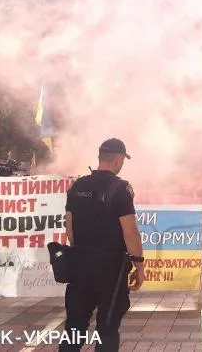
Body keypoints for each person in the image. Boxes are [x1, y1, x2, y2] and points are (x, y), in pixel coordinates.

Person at [60, 139, 145, 351]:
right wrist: (139, 265)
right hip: (110, 269)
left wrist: (81, 252)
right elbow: (130, 232)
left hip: (79, 265)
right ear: (118, 159)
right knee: (107, 328)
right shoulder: (120, 188)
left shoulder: (78, 185)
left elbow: (69, 227)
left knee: (74, 326)